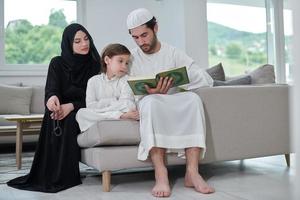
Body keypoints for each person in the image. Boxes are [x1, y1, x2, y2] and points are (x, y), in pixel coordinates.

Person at [126, 8, 215, 197]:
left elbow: (206, 78)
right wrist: (152, 92)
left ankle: (192, 172)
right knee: (150, 103)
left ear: (155, 28)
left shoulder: (173, 53)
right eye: (136, 38)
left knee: (193, 99)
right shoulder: (131, 59)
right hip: (150, 102)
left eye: (144, 35)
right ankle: (161, 173)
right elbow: (126, 91)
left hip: (175, 100)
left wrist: (175, 80)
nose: (141, 42)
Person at [7, 23, 101, 193]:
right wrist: (52, 100)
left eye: (86, 39)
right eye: (77, 41)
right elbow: (52, 90)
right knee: (56, 115)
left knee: (71, 118)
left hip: (84, 108)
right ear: (68, 44)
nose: (84, 44)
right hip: (59, 110)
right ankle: (53, 173)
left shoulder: (96, 65)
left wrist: (71, 106)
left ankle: (66, 174)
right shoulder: (57, 63)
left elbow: (96, 99)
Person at [76, 43, 139, 132]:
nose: (124, 66)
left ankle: (110, 117)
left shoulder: (126, 80)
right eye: (120, 61)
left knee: (129, 105)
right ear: (107, 60)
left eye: (127, 63)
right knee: (81, 113)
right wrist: (114, 103)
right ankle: (119, 116)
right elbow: (90, 106)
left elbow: (128, 105)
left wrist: (102, 108)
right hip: (121, 116)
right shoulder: (93, 81)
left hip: (102, 117)